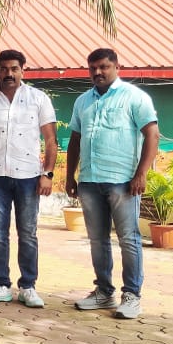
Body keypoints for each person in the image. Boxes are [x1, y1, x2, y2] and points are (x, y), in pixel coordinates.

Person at [66, 48, 158, 320]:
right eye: (93, 68)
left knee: (128, 238)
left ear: (117, 67)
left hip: (123, 183)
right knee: (97, 239)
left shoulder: (135, 97)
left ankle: (132, 295)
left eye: (104, 67)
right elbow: (74, 140)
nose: (97, 72)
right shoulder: (82, 101)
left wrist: (141, 174)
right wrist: (71, 175)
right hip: (90, 181)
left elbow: (152, 134)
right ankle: (104, 292)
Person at [0, 49, 57, 308]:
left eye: (14, 68)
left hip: (29, 176)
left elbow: (50, 140)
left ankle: (28, 286)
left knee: (28, 233)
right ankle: (1, 285)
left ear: (22, 70)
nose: (9, 73)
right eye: (4, 69)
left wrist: (47, 174)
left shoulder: (38, 99)